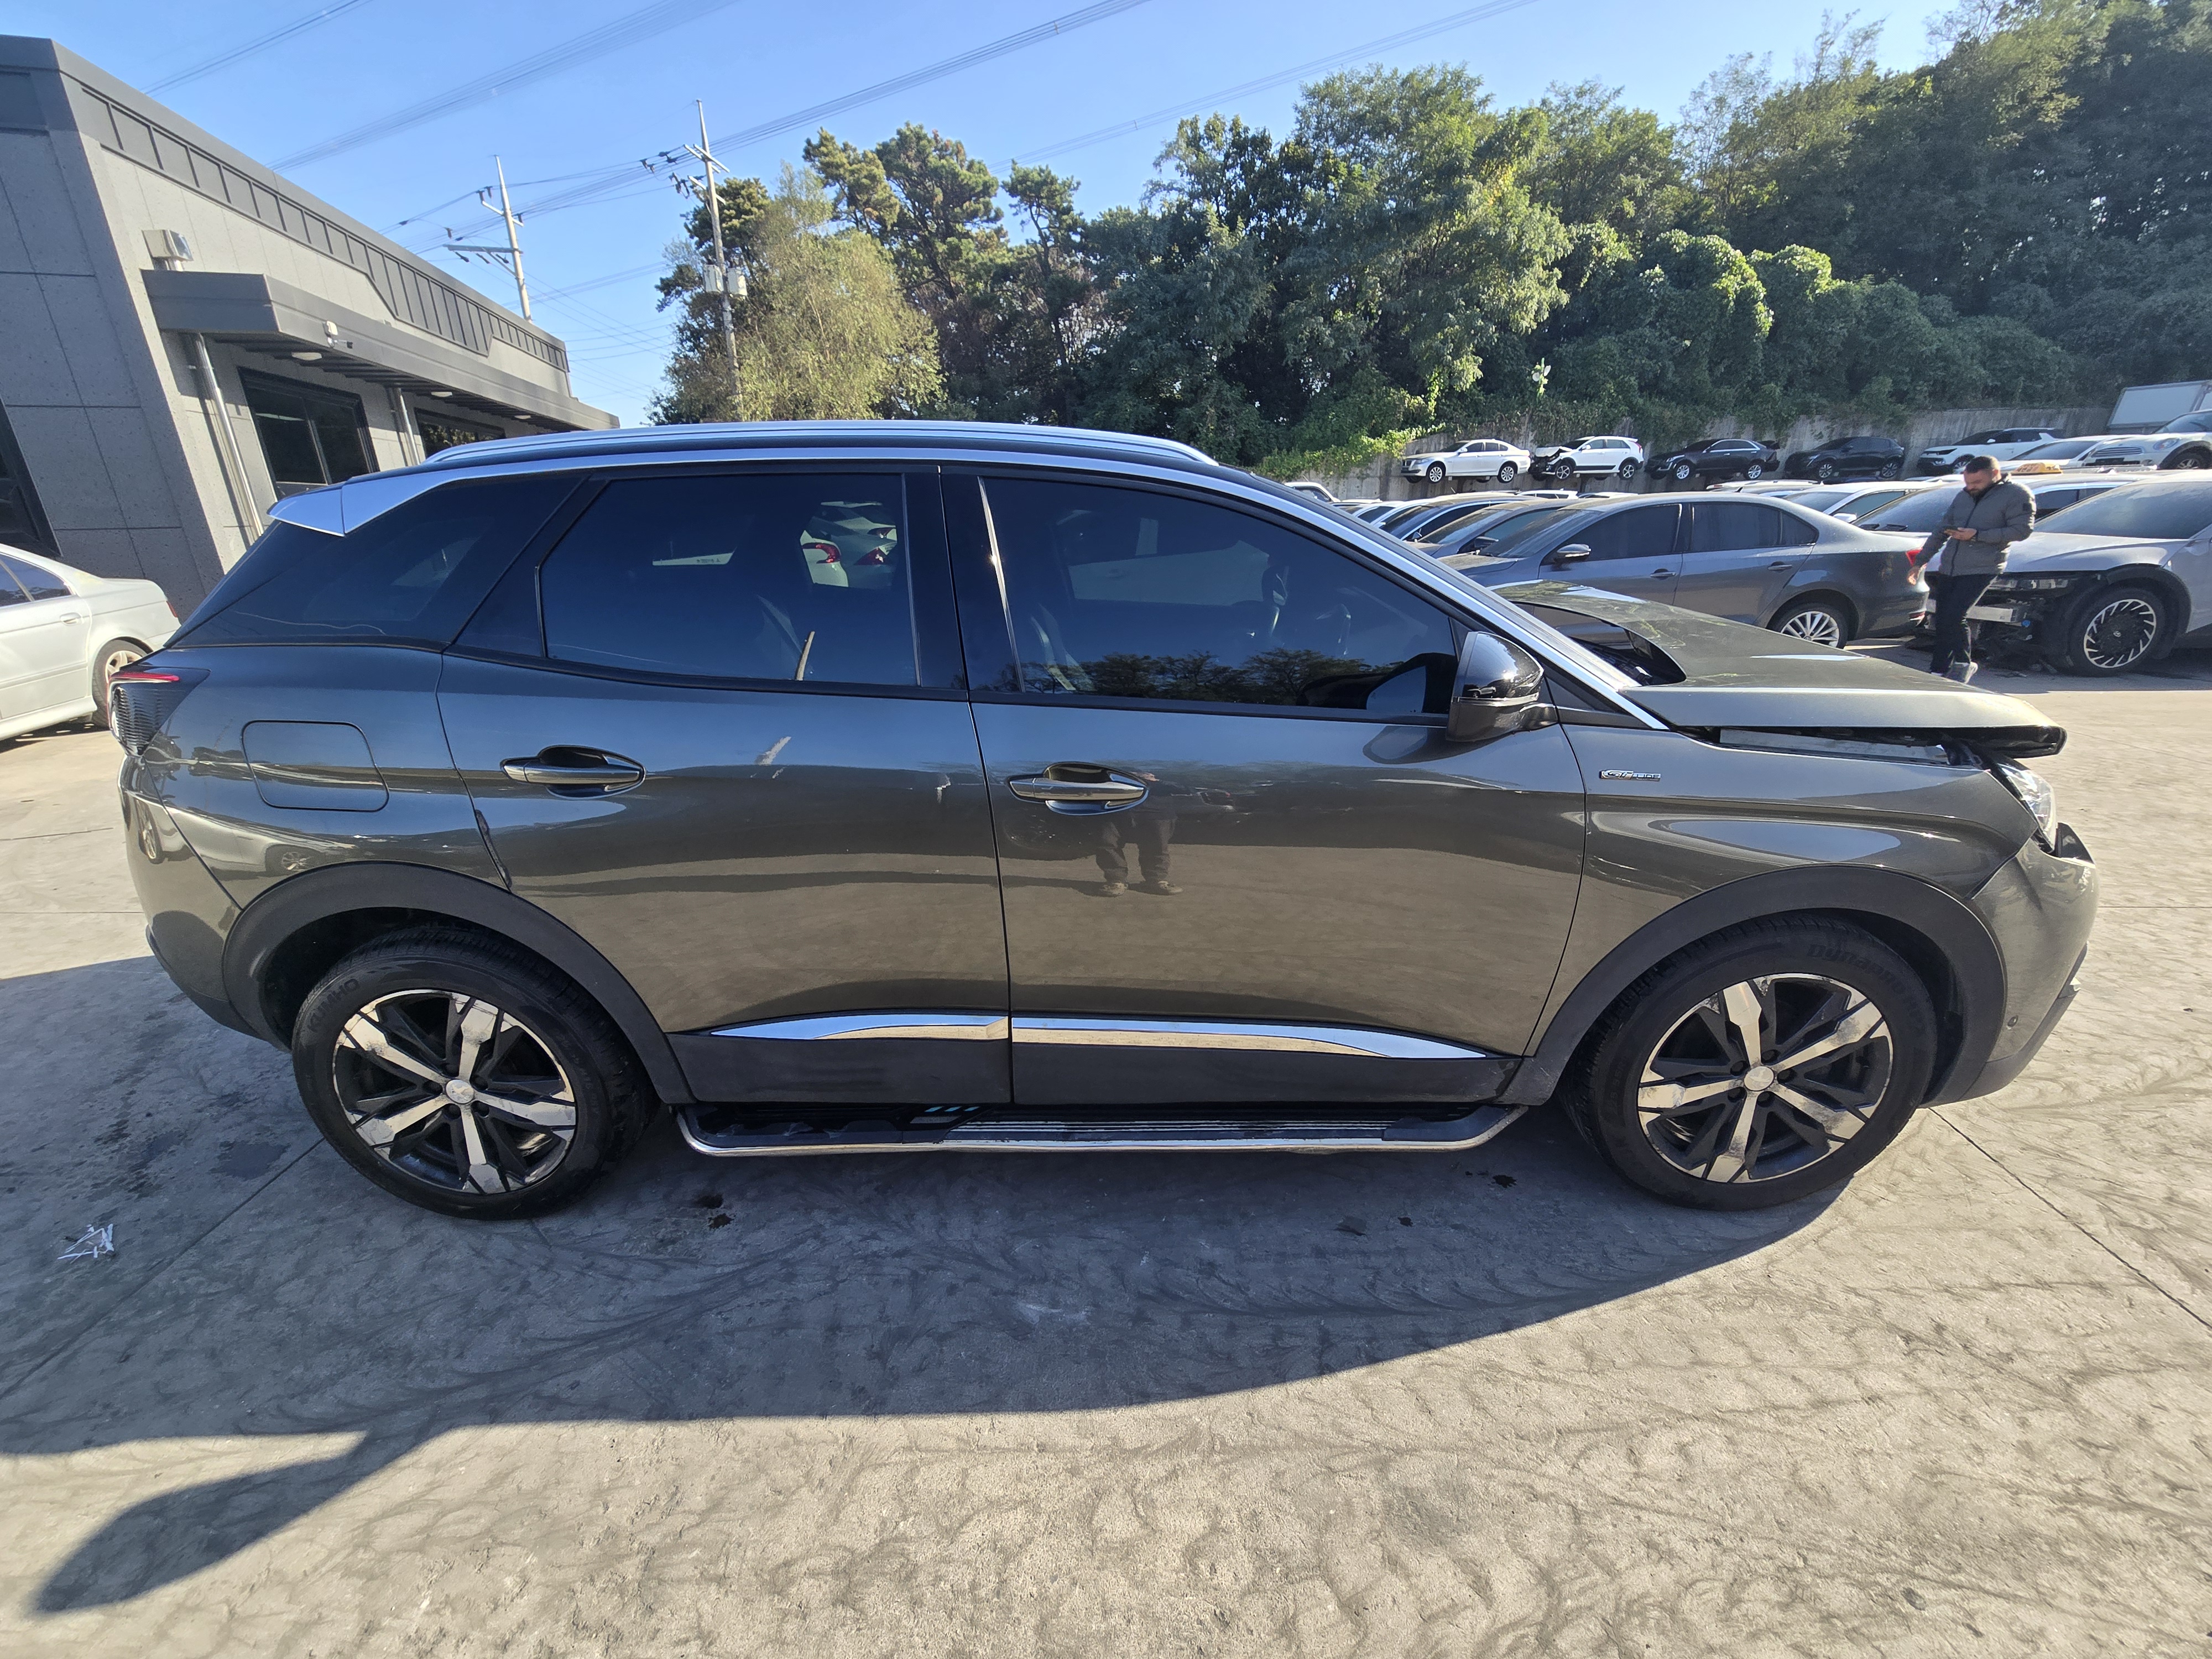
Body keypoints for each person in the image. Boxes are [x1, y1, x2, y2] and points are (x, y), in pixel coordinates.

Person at [1921, 455, 2034, 683]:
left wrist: (1978, 536)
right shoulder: (1963, 496)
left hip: (1983, 566)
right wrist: (1921, 560)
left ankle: (1964, 664)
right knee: (1942, 617)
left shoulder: (2017, 495)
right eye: (1967, 483)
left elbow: (2022, 530)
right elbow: (1942, 529)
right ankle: (1938, 669)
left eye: (1976, 484)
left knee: (1955, 615)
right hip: (1951, 565)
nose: (1970, 488)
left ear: (1995, 475)